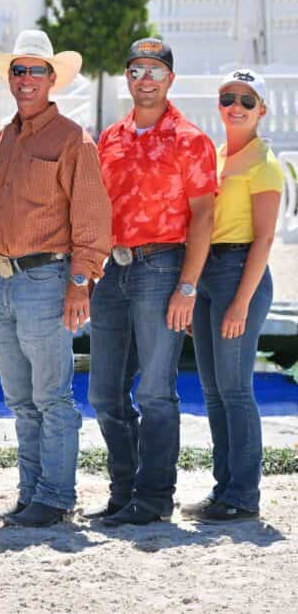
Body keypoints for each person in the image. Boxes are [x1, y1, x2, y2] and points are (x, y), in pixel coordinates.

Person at [0, 30, 112, 528]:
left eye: (35, 70)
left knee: (51, 397)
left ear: (53, 79)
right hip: (5, 285)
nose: (26, 79)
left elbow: (92, 219)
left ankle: (54, 497)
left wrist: (80, 283)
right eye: (18, 70)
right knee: (19, 399)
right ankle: (32, 494)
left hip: (47, 281)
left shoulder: (73, 139)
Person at [88, 38, 217, 527]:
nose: (145, 78)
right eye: (137, 70)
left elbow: (203, 216)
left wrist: (187, 286)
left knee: (156, 392)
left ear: (170, 79)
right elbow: (99, 209)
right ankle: (125, 491)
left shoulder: (190, 139)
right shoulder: (111, 138)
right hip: (111, 271)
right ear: (128, 77)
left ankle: (155, 496)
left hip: (163, 267)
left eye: (155, 70)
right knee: (104, 393)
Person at [182, 69, 282, 523]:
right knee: (214, 391)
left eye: (246, 100)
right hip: (207, 274)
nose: (236, 106)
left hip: (241, 273)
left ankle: (243, 495)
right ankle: (225, 490)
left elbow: (263, 240)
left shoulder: (264, 162)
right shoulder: (217, 155)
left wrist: (241, 302)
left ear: (262, 110)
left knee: (236, 390)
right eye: (228, 98)